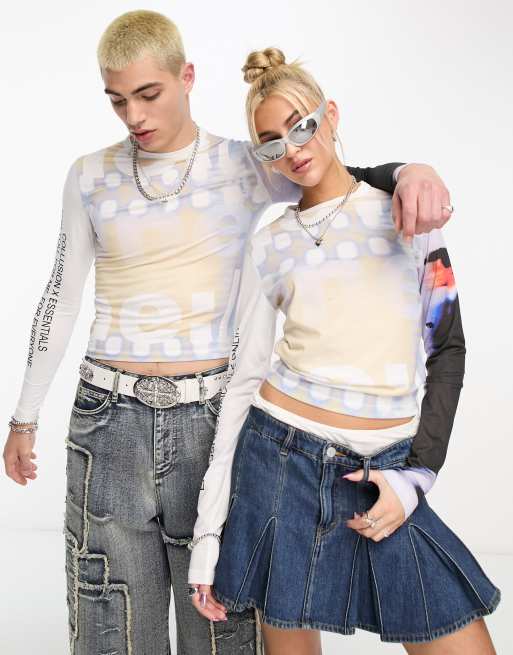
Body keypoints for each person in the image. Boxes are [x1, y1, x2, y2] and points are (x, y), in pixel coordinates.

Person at [3, 11, 454, 655]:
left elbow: (331, 173)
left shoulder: (249, 164)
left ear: (187, 76)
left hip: (210, 413)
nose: (134, 116)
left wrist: (410, 170)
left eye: (149, 94)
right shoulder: (90, 174)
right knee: (109, 613)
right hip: (108, 416)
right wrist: (24, 417)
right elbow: (61, 295)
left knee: (221, 624)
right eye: (118, 100)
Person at [188, 48, 500, 655]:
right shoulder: (270, 243)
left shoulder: (406, 212)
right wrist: (207, 534)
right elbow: (244, 381)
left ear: (330, 115)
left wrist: (416, 477)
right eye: (272, 143)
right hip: (280, 466)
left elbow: (448, 349)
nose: (293, 149)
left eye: (301, 125)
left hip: (385, 469)